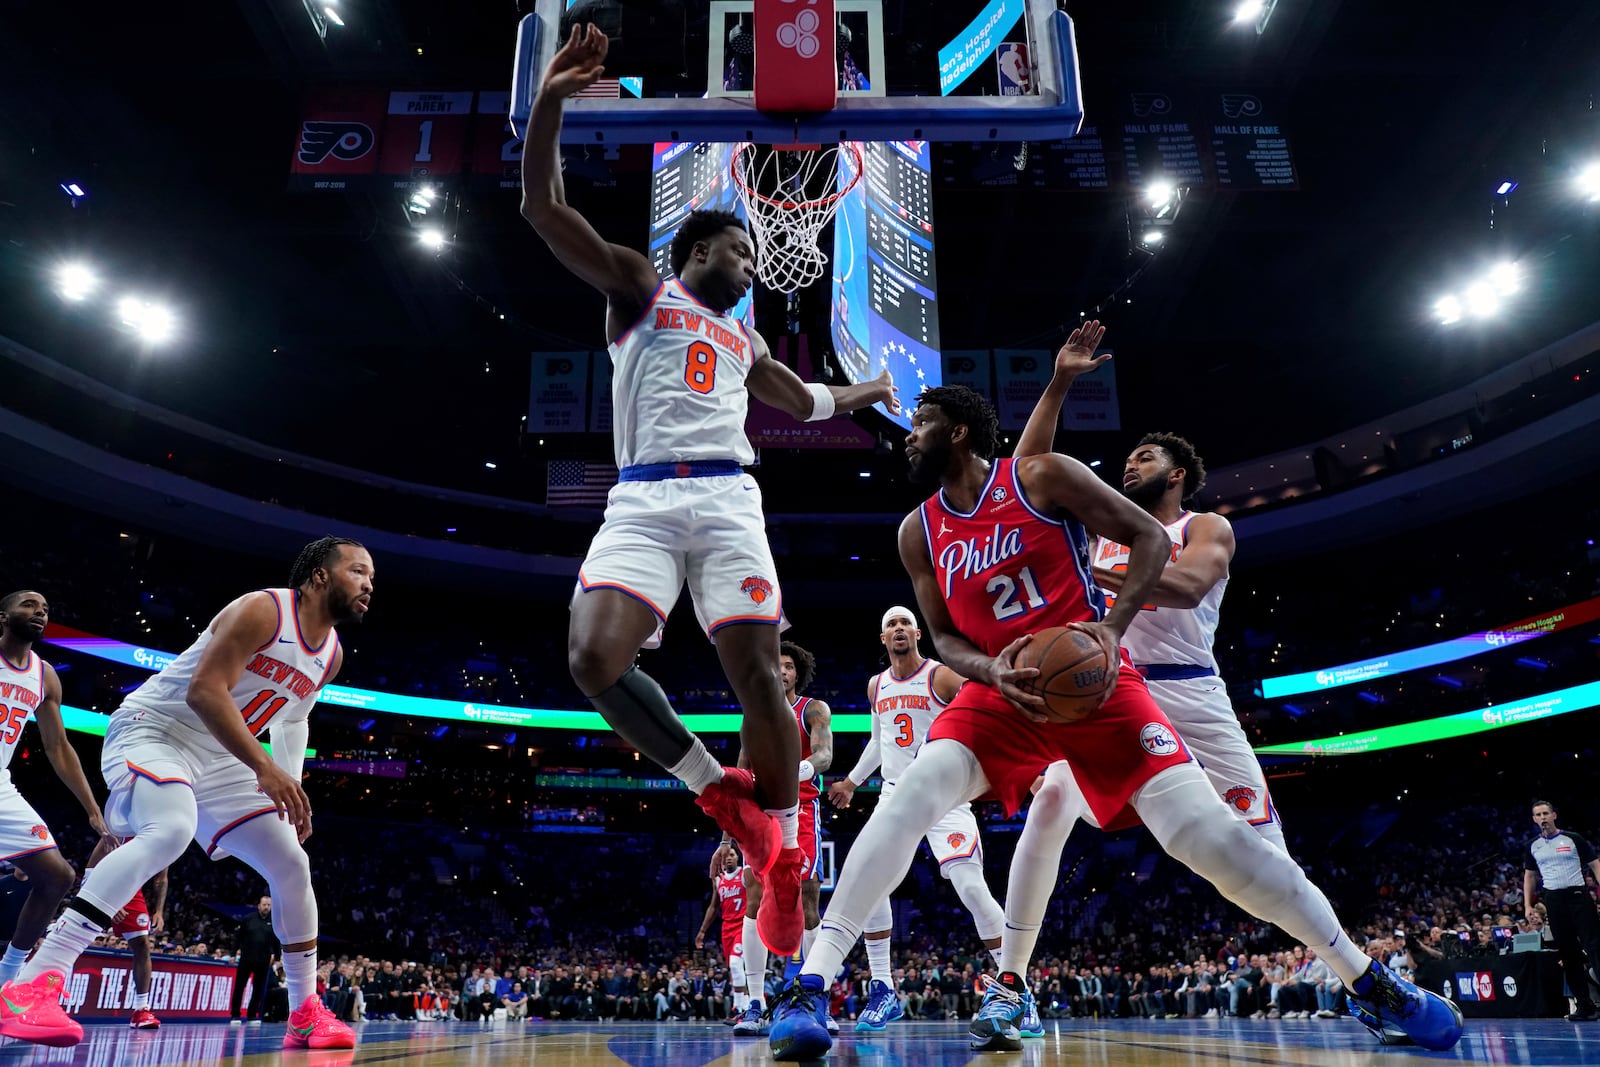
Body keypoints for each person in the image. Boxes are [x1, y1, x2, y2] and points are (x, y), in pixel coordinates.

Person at [766, 386, 1462, 1060]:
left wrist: (1109, 628)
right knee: (912, 793)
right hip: (1004, 691)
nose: (905, 435)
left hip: (1101, 689)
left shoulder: (1042, 476)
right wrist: (987, 672)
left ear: (956, 431)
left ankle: (1365, 978)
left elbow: (1148, 543)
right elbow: (945, 637)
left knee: (1213, 840)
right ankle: (810, 986)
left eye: (918, 422)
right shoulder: (916, 530)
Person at [521, 22, 898, 959]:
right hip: (642, 501)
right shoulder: (641, 291)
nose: (752, 262)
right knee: (591, 659)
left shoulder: (748, 340)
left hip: (731, 501)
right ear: (699, 255)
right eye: (739, 249)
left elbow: (806, 401)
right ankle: (719, 791)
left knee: (759, 680)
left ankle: (779, 860)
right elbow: (542, 205)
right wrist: (554, 99)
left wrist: (869, 391)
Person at [0, 537, 371, 1049]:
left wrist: (291, 788)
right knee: (171, 828)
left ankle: (304, 1011)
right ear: (319, 577)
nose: (369, 583)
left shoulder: (329, 655)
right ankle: (33, 983)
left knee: (292, 861)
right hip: (156, 730)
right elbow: (204, 690)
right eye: (358, 571)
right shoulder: (263, 610)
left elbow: (293, 719)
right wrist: (266, 768)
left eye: (371, 576)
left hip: (221, 758)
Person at [1016, 331, 1286, 852]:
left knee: (1260, 838)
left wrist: (1088, 573)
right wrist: (1060, 382)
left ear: (1176, 475)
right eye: (1129, 460)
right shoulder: (1101, 534)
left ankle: (1315, 934)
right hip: (1112, 688)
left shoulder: (1203, 527)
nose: (1129, 465)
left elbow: (1185, 589)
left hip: (1191, 690)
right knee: (1050, 807)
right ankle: (1010, 936)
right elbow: (1027, 477)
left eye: (1143, 458)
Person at [827, 607, 1012, 1034]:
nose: (897, 629)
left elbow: (980, 714)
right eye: (890, 624)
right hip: (894, 794)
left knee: (970, 886)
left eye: (904, 623)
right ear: (882, 637)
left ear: (917, 633)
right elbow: (878, 742)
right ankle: (883, 988)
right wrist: (853, 782)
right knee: (872, 884)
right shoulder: (877, 686)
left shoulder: (941, 676)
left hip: (943, 793)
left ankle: (1014, 986)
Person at [717, 642, 835, 1036]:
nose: (782, 671)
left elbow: (824, 756)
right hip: (763, 812)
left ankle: (815, 997)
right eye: (776, 666)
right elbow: (738, 778)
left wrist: (796, 769)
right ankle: (754, 1003)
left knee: (807, 894)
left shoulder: (813, 709)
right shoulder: (754, 718)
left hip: (802, 809)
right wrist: (725, 839)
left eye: (788, 666)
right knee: (754, 896)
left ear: (796, 674)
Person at [0, 591, 115, 986]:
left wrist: (91, 808)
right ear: (3, 616)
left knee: (58, 876)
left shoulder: (44, 674)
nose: (39, 612)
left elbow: (57, 746)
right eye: (29, 605)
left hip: (1, 785)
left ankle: (9, 976)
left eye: (45, 609)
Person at [1524, 799, 1600, 1022]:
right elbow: (1529, 875)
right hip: (1554, 900)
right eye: (1538, 815)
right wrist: (1528, 905)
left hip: (1578, 896)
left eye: (1546, 813)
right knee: (1568, 954)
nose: (1543, 818)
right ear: (1534, 819)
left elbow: (1595, 863)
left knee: (1595, 947)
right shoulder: (1532, 846)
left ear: (1554, 815)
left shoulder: (1573, 838)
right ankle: (1585, 1006)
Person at [83, 837, 168, 1029]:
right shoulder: (119, 831)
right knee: (76, 940)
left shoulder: (166, 838)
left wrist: (159, 911)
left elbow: (161, 879)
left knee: (142, 946)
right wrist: (109, 900)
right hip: (100, 887)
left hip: (131, 891)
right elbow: (90, 871)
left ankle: (141, 1009)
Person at [696, 844, 749, 1020]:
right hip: (726, 928)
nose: (728, 857)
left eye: (732, 854)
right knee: (735, 969)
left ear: (737, 857)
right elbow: (713, 906)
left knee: (735, 963)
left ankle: (738, 1008)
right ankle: (746, 1007)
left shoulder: (744, 874)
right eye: (726, 855)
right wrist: (702, 931)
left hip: (743, 926)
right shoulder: (718, 879)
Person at [231, 895, 279, 1025]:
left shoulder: (274, 922)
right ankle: (235, 1015)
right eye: (264, 905)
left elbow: (277, 941)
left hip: (263, 960)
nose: (266, 908)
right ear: (259, 906)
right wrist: (233, 953)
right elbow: (238, 937)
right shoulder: (248, 919)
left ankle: (252, 1015)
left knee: (258, 989)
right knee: (240, 987)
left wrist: (278, 958)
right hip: (246, 958)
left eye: (269, 905)